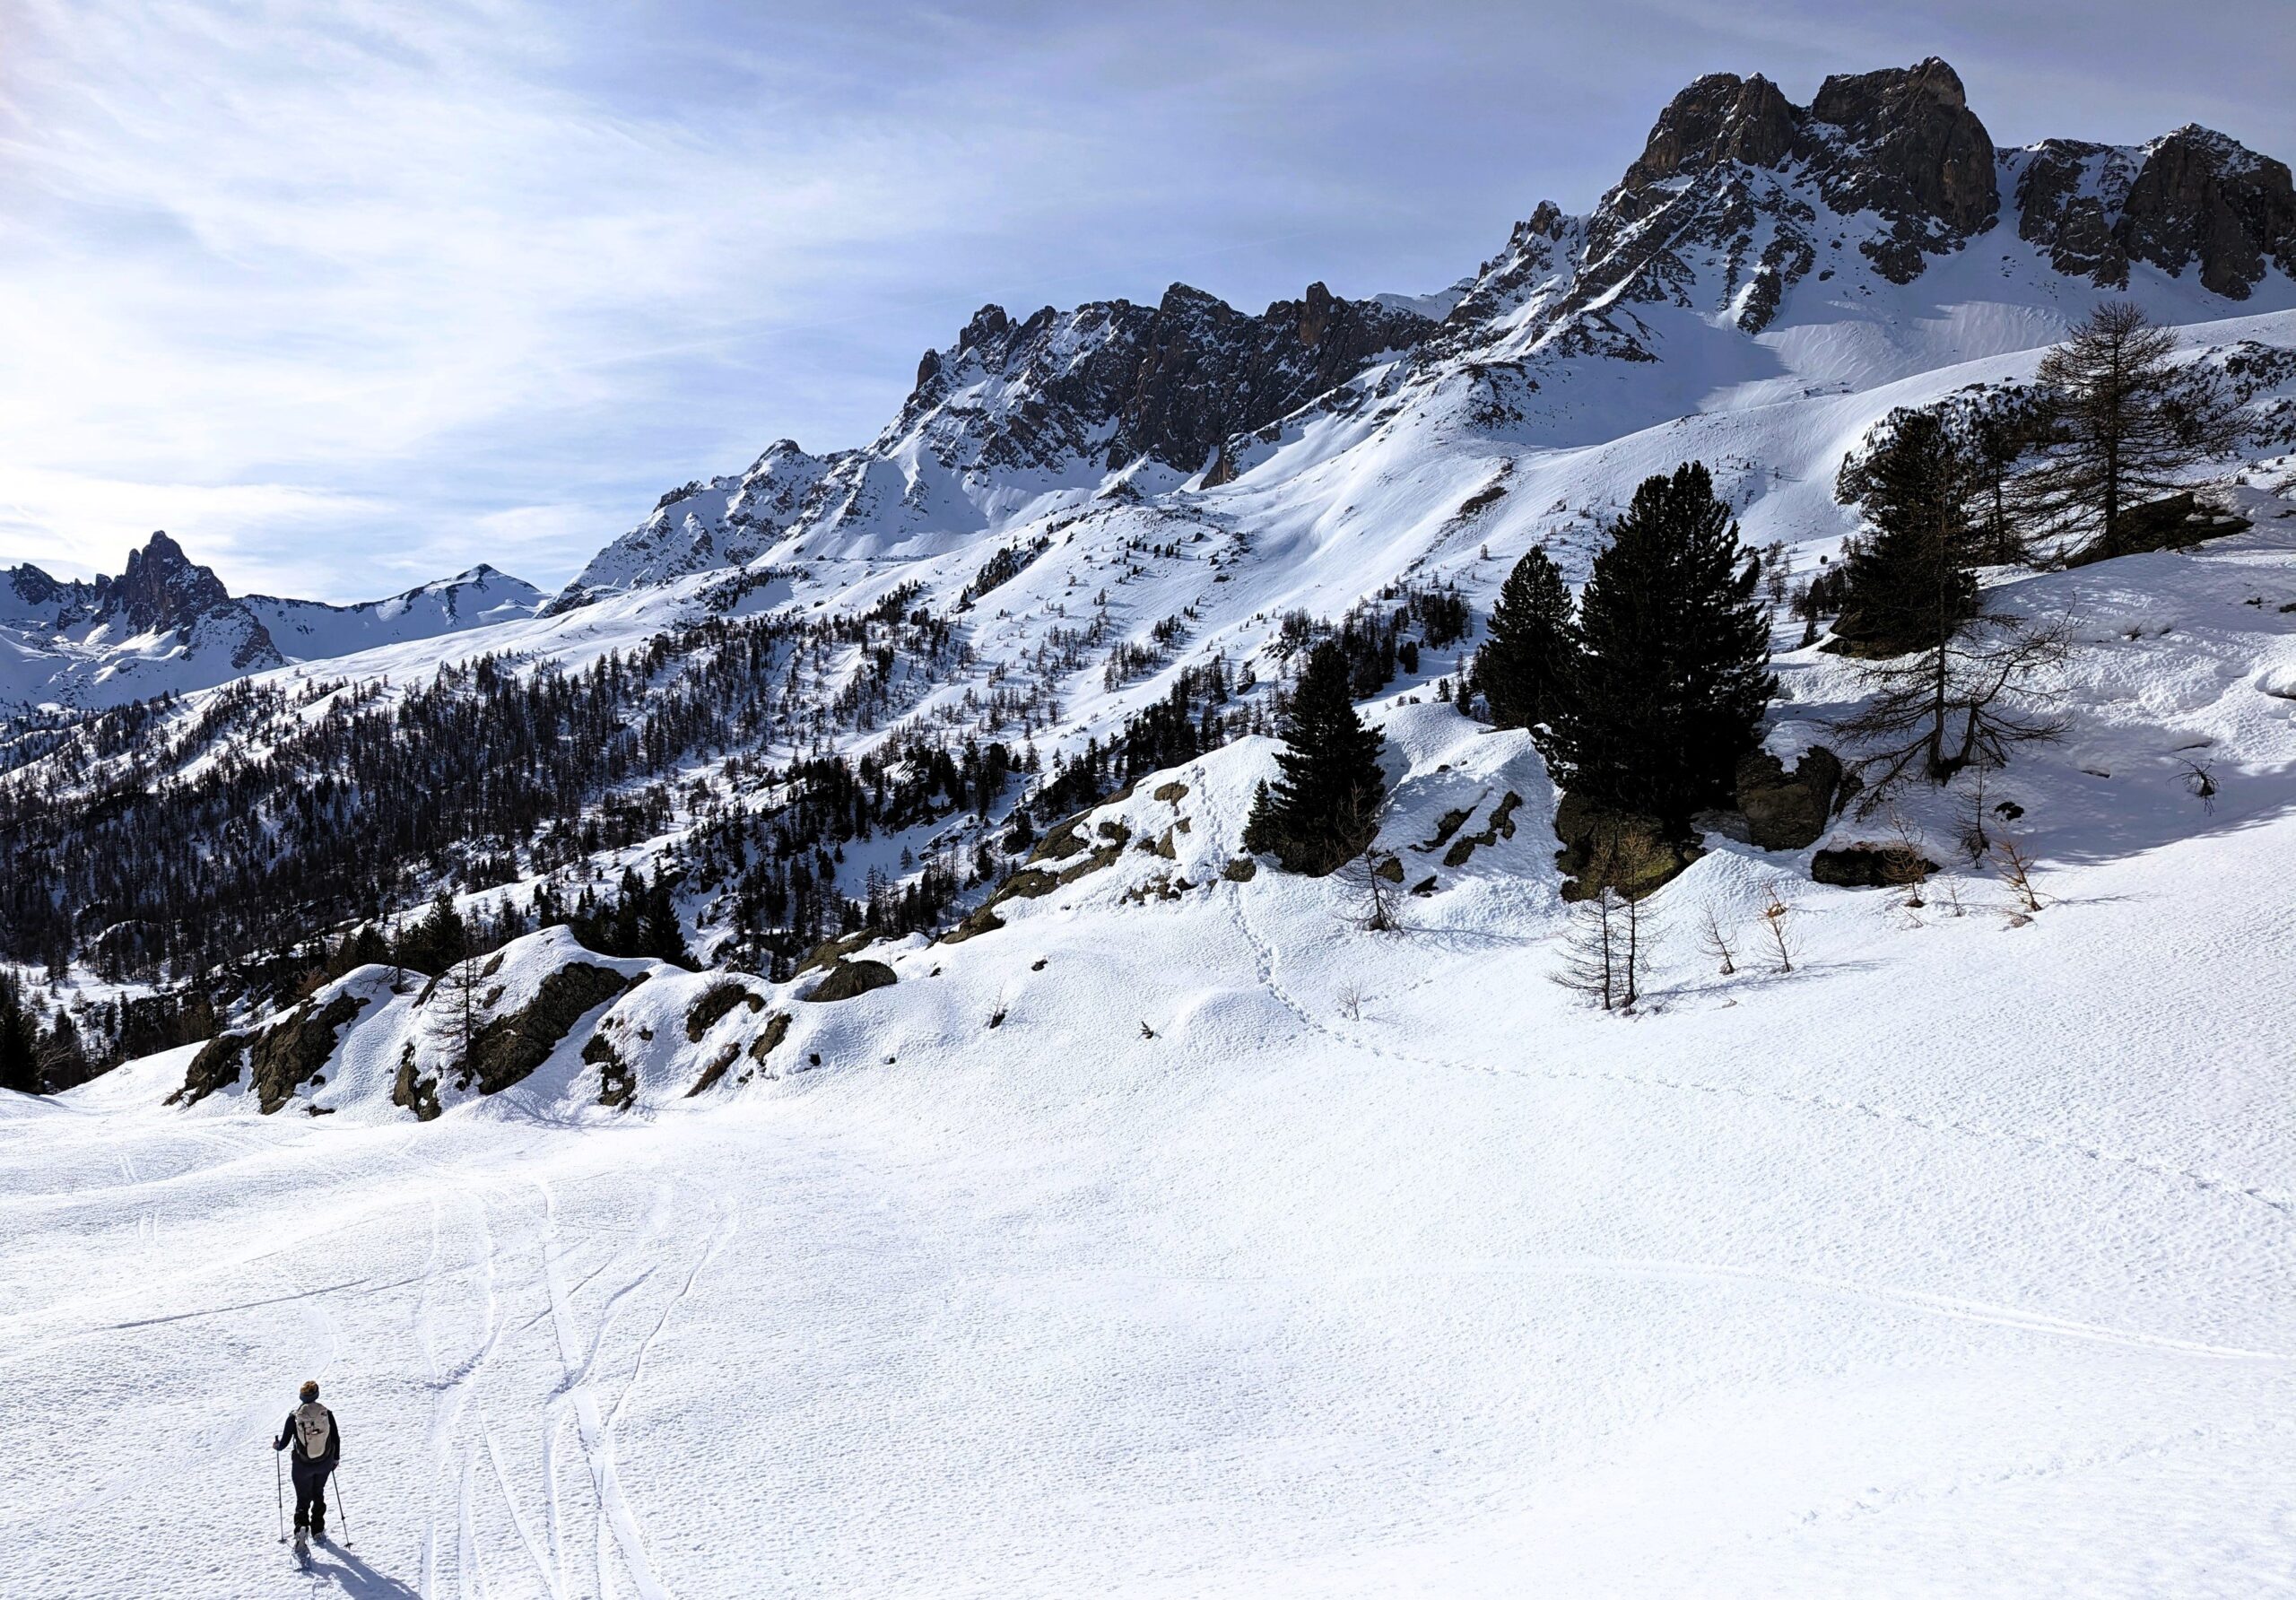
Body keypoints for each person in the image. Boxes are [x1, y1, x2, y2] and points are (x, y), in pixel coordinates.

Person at [274, 1379, 341, 1545]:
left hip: (302, 1466)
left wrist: (277, 1446)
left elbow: (284, 1444)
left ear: (301, 1397)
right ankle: (318, 1530)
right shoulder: (326, 1413)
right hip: (324, 1463)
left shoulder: (294, 1417)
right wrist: (335, 1459)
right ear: (317, 1395)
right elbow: (336, 1438)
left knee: (302, 1499)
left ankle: (301, 1530)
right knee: (318, 1493)